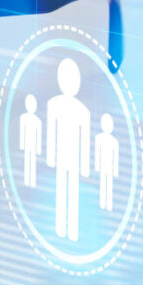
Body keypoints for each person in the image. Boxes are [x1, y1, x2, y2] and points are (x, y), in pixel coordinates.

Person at [45, 58, 92, 243]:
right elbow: (51, 131)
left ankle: (71, 229)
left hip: (74, 158)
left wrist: (85, 165)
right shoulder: (54, 104)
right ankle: (60, 226)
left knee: (72, 191)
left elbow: (85, 135)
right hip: (61, 156)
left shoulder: (82, 110)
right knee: (61, 190)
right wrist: (50, 156)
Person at [94, 114, 120, 212]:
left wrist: (115, 171)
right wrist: (97, 166)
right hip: (103, 166)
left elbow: (115, 156)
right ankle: (102, 203)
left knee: (108, 185)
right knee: (102, 184)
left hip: (110, 167)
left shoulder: (114, 141)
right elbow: (97, 152)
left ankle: (108, 205)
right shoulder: (99, 138)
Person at [18, 94, 43, 189]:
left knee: (32, 163)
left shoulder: (37, 121)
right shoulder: (24, 118)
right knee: (27, 162)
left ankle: (30, 182)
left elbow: (38, 134)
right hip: (27, 145)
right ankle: (27, 182)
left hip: (33, 146)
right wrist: (22, 145)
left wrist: (39, 149)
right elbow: (23, 132)